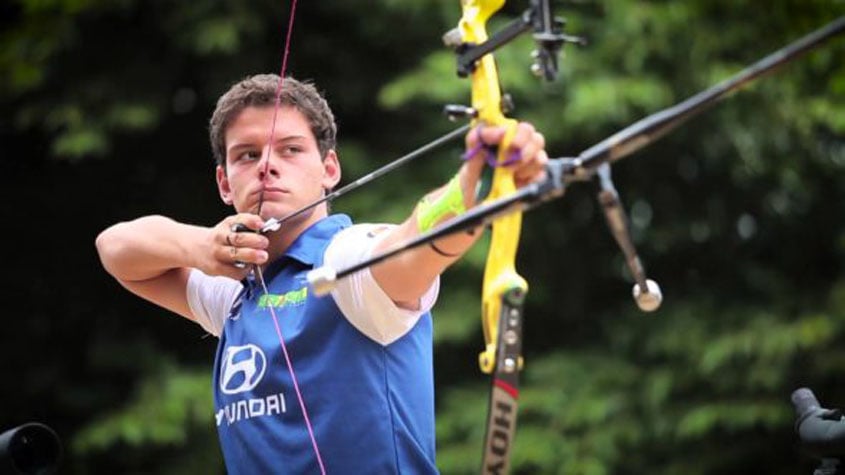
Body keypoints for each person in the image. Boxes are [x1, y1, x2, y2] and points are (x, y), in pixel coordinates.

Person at [96, 74, 548, 474]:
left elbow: (420, 241)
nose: (267, 165)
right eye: (247, 155)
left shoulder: (346, 261)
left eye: (291, 149)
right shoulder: (233, 292)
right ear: (224, 182)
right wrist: (199, 247)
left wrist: (474, 183)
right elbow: (115, 249)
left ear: (329, 169)